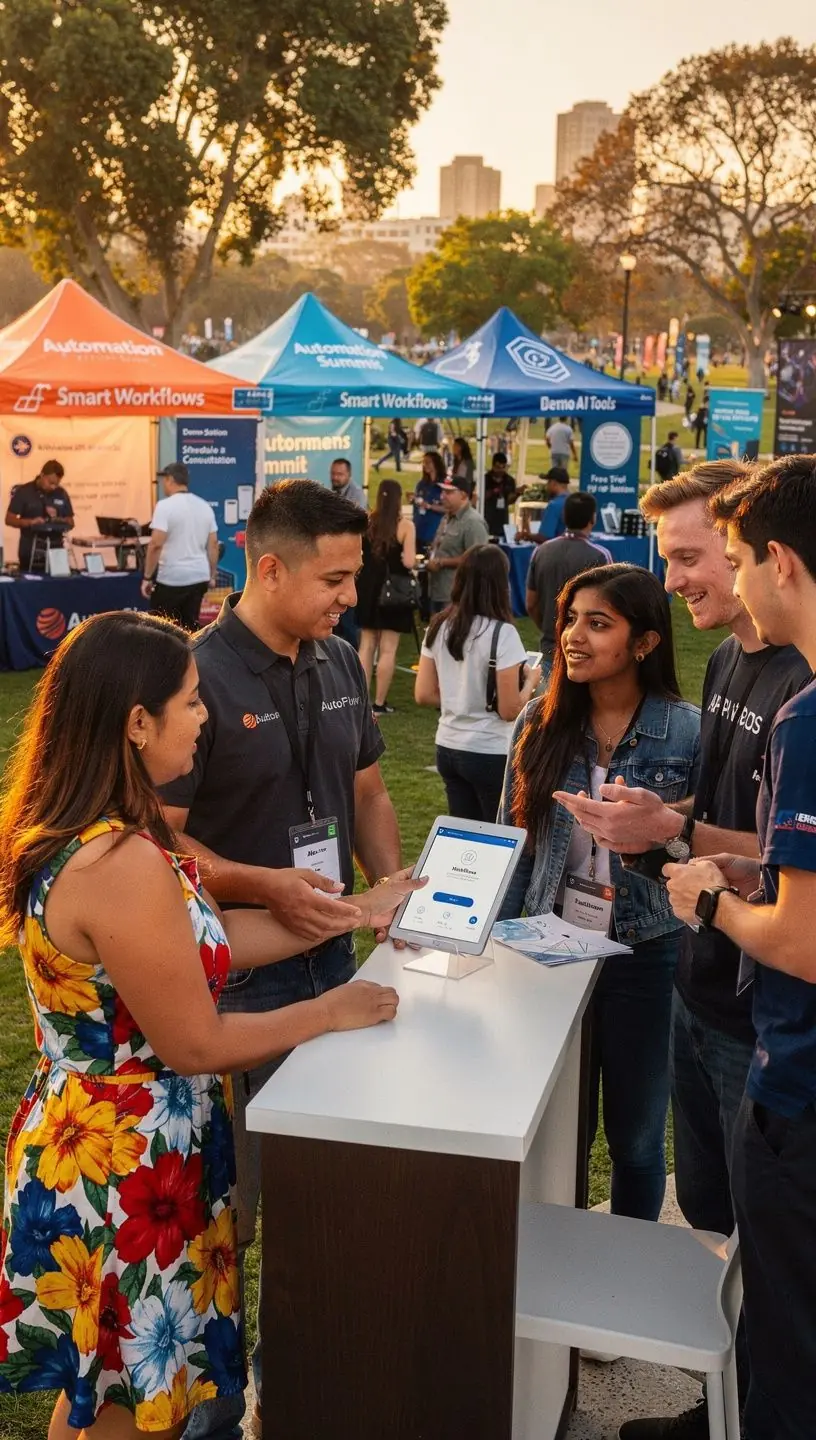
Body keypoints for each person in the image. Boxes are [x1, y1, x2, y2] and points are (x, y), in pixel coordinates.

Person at [0, 610, 412, 1440]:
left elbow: (205, 948)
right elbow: (196, 1041)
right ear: (136, 723)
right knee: (130, 1399)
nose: (205, 718)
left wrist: (354, 914)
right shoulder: (120, 864)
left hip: (115, 1145)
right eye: (191, 703)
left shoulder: (107, 835)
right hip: (127, 1166)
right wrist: (331, 1009)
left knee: (104, 1389)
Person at [558, 463, 810, 1439]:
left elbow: (779, 863)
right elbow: (718, 829)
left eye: (706, 558)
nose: (689, 581)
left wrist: (677, 838)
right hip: (701, 990)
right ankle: (722, 1404)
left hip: (768, 1016)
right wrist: (666, 830)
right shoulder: (725, 663)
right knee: (717, 1226)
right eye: (673, 562)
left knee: (779, 1253)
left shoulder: (803, 676)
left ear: (763, 555)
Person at [157, 480, 405, 1440]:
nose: (351, 596)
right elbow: (160, 849)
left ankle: (289, 1391)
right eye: (336, 578)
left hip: (332, 963)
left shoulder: (339, 657)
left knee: (322, 1202)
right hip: (235, 979)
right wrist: (265, 884)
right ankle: (212, 1412)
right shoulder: (191, 678)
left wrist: (389, 894)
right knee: (232, 1214)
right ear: (269, 567)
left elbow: (370, 789)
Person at [662, 455, 816, 1440]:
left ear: (782, 565)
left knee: (793, 1359)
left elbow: (800, 943)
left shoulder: (807, 714)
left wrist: (702, 895)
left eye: (733, 556)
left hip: (796, 1084)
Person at [500, 564, 700, 1231]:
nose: (573, 638)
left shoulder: (687, 734)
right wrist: (498, 943)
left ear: (644, 643)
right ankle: (559, 1266)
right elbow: (515, 845)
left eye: (599, 623)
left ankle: (627, 1269)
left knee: (638, 1139)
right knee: (559, 1126)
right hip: (550, 949)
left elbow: (703, 850)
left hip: (647, 954)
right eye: (570, 620)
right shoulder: (542, 721)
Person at [415, 546, 541, 821]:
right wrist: (530, 681)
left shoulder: (439, 625)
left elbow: (423, 693)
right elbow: (509, 710)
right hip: (489, 749)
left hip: (448, 746)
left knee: (464, 840)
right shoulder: (502, 634)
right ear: (500, 583)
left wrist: (459, 696)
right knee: (497, 837)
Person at [525, 493, 613, 677]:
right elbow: (609, 606)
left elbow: (531, 603)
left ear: (564, 517)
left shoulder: (541, 551)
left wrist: (549, 627)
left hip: (549, 647)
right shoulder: (600, 555)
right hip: (586, 650)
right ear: (593, 519)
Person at [357, 479, 417, 716]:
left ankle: (361, 699)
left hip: (368, 588)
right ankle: (379, 703)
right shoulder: (405, 526)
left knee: (366, 645)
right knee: (388, 649)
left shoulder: (367, 522)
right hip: (394, 592)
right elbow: (410, 561)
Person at [142, 463, 219, 632]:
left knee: (160, 629)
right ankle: (190, 658)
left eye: (164, 480)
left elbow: (155, 544)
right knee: (190, 628)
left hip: (171, 578)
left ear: (170, 480)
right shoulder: (204, 506)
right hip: (198, 577)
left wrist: (147, 577)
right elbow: (213, 545)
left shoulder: (165, 506)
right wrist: (212, 575)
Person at [427, 477, 489, 614]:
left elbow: (477, 559)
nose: (442, 496)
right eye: (442, 492)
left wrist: (442, 562)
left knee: (453, 633)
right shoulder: (446, 517)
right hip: (439, 589)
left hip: (458, 594)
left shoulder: (473, 522)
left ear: (463, 495)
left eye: (449, 492)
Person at [5, 459, 74, 572]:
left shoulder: (61, 493)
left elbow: (71, 522)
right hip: (30, 551)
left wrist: (58, 519)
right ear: (42, 475)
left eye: (56, 484)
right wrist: (31, 522)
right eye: (50, 482)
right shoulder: (24, 492)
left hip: (56, 553)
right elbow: (9, 519)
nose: (53, 487)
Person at [411, 450, 447, 551]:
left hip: (434, 530)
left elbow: (447, 508)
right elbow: (418, 501)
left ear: (436, 463)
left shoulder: (443, 485)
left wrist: (430, 506)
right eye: (424, 462)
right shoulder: (422, 484)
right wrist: (413, 499)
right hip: (418, 527)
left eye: (428, 462)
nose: (425, 465)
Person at [483, 452, 517, 538]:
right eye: (498, 468)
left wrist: (517, 494)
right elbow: (481, 497)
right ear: (493, 466)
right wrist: (493, 491)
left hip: (503, 519)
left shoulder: (510, 480)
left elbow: (510, 501)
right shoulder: (485, 479)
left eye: (503, 467)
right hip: (487, 518)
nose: (501, 471)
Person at [539, 465, 571, 540]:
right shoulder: (575, 501)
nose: (547, 486)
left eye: (548, 482)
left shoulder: (554, 505)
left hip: (557, 549)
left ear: (554, 483)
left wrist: (527, 535)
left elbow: (544, 537)